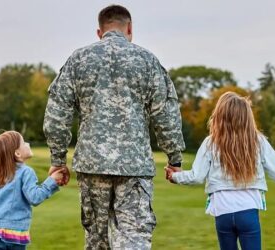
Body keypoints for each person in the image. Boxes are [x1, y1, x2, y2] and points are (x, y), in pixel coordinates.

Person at [43, 4, 185, 250]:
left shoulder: (79, 60)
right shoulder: (148, 61)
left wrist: (58, 159)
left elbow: (57, 113)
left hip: (92, 164)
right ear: (130, 29)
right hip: (134, 166)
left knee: (97, 241)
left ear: (100, 32)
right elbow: (166, 114)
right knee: (134, 238)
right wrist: (174, 157)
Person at [165, 92, 275, 250]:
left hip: (223, 214)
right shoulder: (258, 141)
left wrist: (175, 176)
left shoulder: (210, 143)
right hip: (248, 212)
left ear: (219, 116)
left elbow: (196, 176)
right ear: (247, 118)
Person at [0, 130, 63, 250]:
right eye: (24, 143)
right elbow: (35, 198)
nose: (28, 144)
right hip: (15, 236)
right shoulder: (26, 172)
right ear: (17, 153)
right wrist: (52, 181)